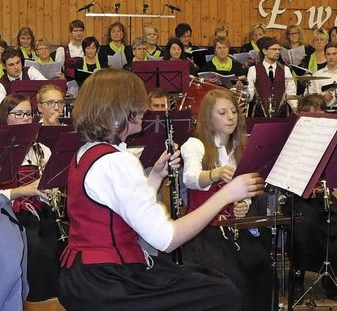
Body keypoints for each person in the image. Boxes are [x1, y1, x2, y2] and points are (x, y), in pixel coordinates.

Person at [58, 68, 265, 311]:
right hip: (108, 281)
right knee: (223, 293)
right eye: (138, 103)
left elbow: (123, 209)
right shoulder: (118, 161)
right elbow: (166, 239)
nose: (143, 109)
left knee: (208, 279)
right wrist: (225, 195)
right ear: (123, 108)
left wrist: (155, 176)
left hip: (84, 274)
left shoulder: (89, 151)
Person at [181, 88, 273, 311]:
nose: (231, 116)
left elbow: (248, 187)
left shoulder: (239, 147)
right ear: (208, 118)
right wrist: (214, 173)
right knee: (232, 279)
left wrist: (244, 205)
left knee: (262, 268)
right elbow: (190, 179)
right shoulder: (196, 144)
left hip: (232, 228)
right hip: (203, 230)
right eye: (222, 112)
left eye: (233, 111)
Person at [0, 93, 60, 302]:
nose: (24, 119)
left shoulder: (42, 150)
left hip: (39, 210)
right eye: (18, 114)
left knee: (62, 242)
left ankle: (60, 300)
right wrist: (22, 191)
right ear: (5, 117)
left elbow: (52, 186)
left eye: (28, 114)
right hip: (7, 214)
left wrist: (50, 190)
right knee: (36, 248)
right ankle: (37, 302)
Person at [246, 37, 297, 117]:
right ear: (264, 51)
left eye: (278, 49)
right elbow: (250, 96)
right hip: (260, 115)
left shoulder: (285, 70)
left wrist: (294, 107)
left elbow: (291, 91)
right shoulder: (253, 70)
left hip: (281, 115)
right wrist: (244, 90)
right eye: (274, 49)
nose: (277, 52)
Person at [0, 48, 46, 112]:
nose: (16, 67)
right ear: (4, 66)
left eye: (18, 62)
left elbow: (48, 88)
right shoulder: (0, 84)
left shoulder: (30, 71)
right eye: (11, 65)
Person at [309, 42, 337, 108]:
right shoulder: (316, 75)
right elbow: (309, 99)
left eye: (334, 54)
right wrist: (322, 98)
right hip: (322, 113)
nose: (331, 57)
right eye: (328, 54)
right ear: (324, 55)